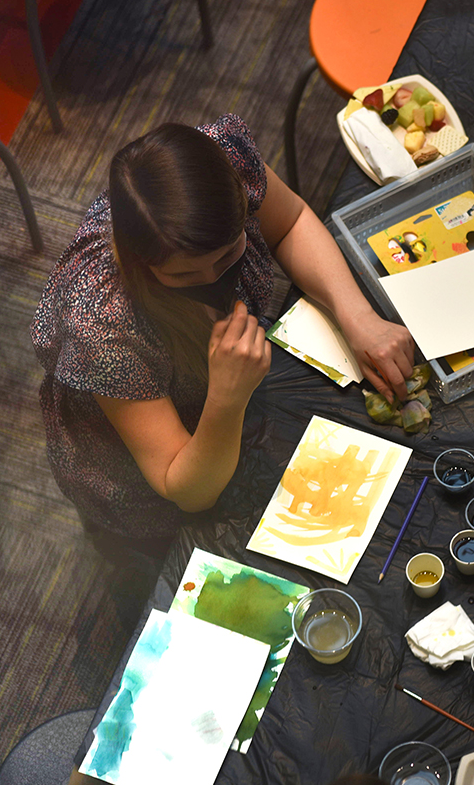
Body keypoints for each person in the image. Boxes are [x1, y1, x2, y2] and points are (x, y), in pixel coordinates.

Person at [31, 114, 415, 546]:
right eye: (185, 275)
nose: (216, 279)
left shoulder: (224, 157)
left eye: (229, 252)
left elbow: (290, 222)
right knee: (153, 552)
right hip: (140, 473)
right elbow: (184, 487)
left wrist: (358, 317)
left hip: (219, 403)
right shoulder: (101, 326)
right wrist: (227, 399)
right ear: (145, 266)